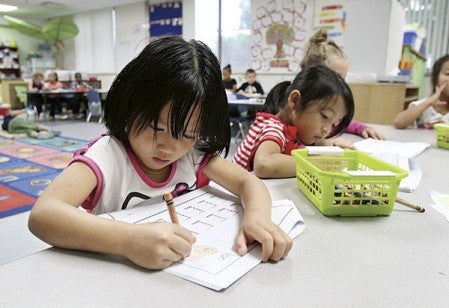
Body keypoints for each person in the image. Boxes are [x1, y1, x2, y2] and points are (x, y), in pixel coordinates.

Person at [28, 36, 292, 270]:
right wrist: (128, 240)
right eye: (157, 127)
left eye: (188, 134)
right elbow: (44, 215)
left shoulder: (193, 155)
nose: (170, 147)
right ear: (131, 104)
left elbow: (248, 181)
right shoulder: (108, 157)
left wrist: (257, 216)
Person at [232, 65, 354, 178]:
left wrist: (327, 149)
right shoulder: (273, 128)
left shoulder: (292, 128)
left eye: (334, 124)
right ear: (295, 101)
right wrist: (319, 162)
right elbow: (264, 164)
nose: (326, 129)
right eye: (325, 116)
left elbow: (322, 142)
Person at [290, 29, 384, 146]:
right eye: (335, 77)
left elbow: (340, 122)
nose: (341, 85)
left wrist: (361, 128)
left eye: (343, 79)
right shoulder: (292, 114)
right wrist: (326, 141)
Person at [394, 54, 449, 129]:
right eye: (448, 73)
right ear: (435, 80)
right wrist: (428, 103)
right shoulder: (423, 105)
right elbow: (398, 123)